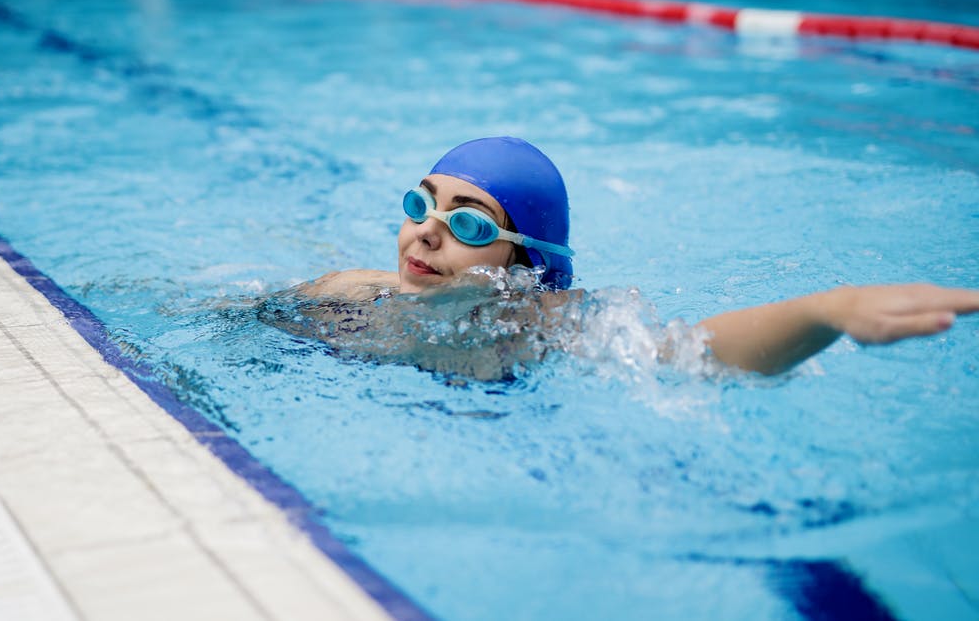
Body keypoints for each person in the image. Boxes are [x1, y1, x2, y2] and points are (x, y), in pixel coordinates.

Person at [299, 137, 979, 376]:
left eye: (470, 224)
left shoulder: (540, 325)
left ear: (522, 266)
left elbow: (692, 355)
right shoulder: (351, 292)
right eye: (421, 205)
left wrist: (828, 310)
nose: (427, 233)